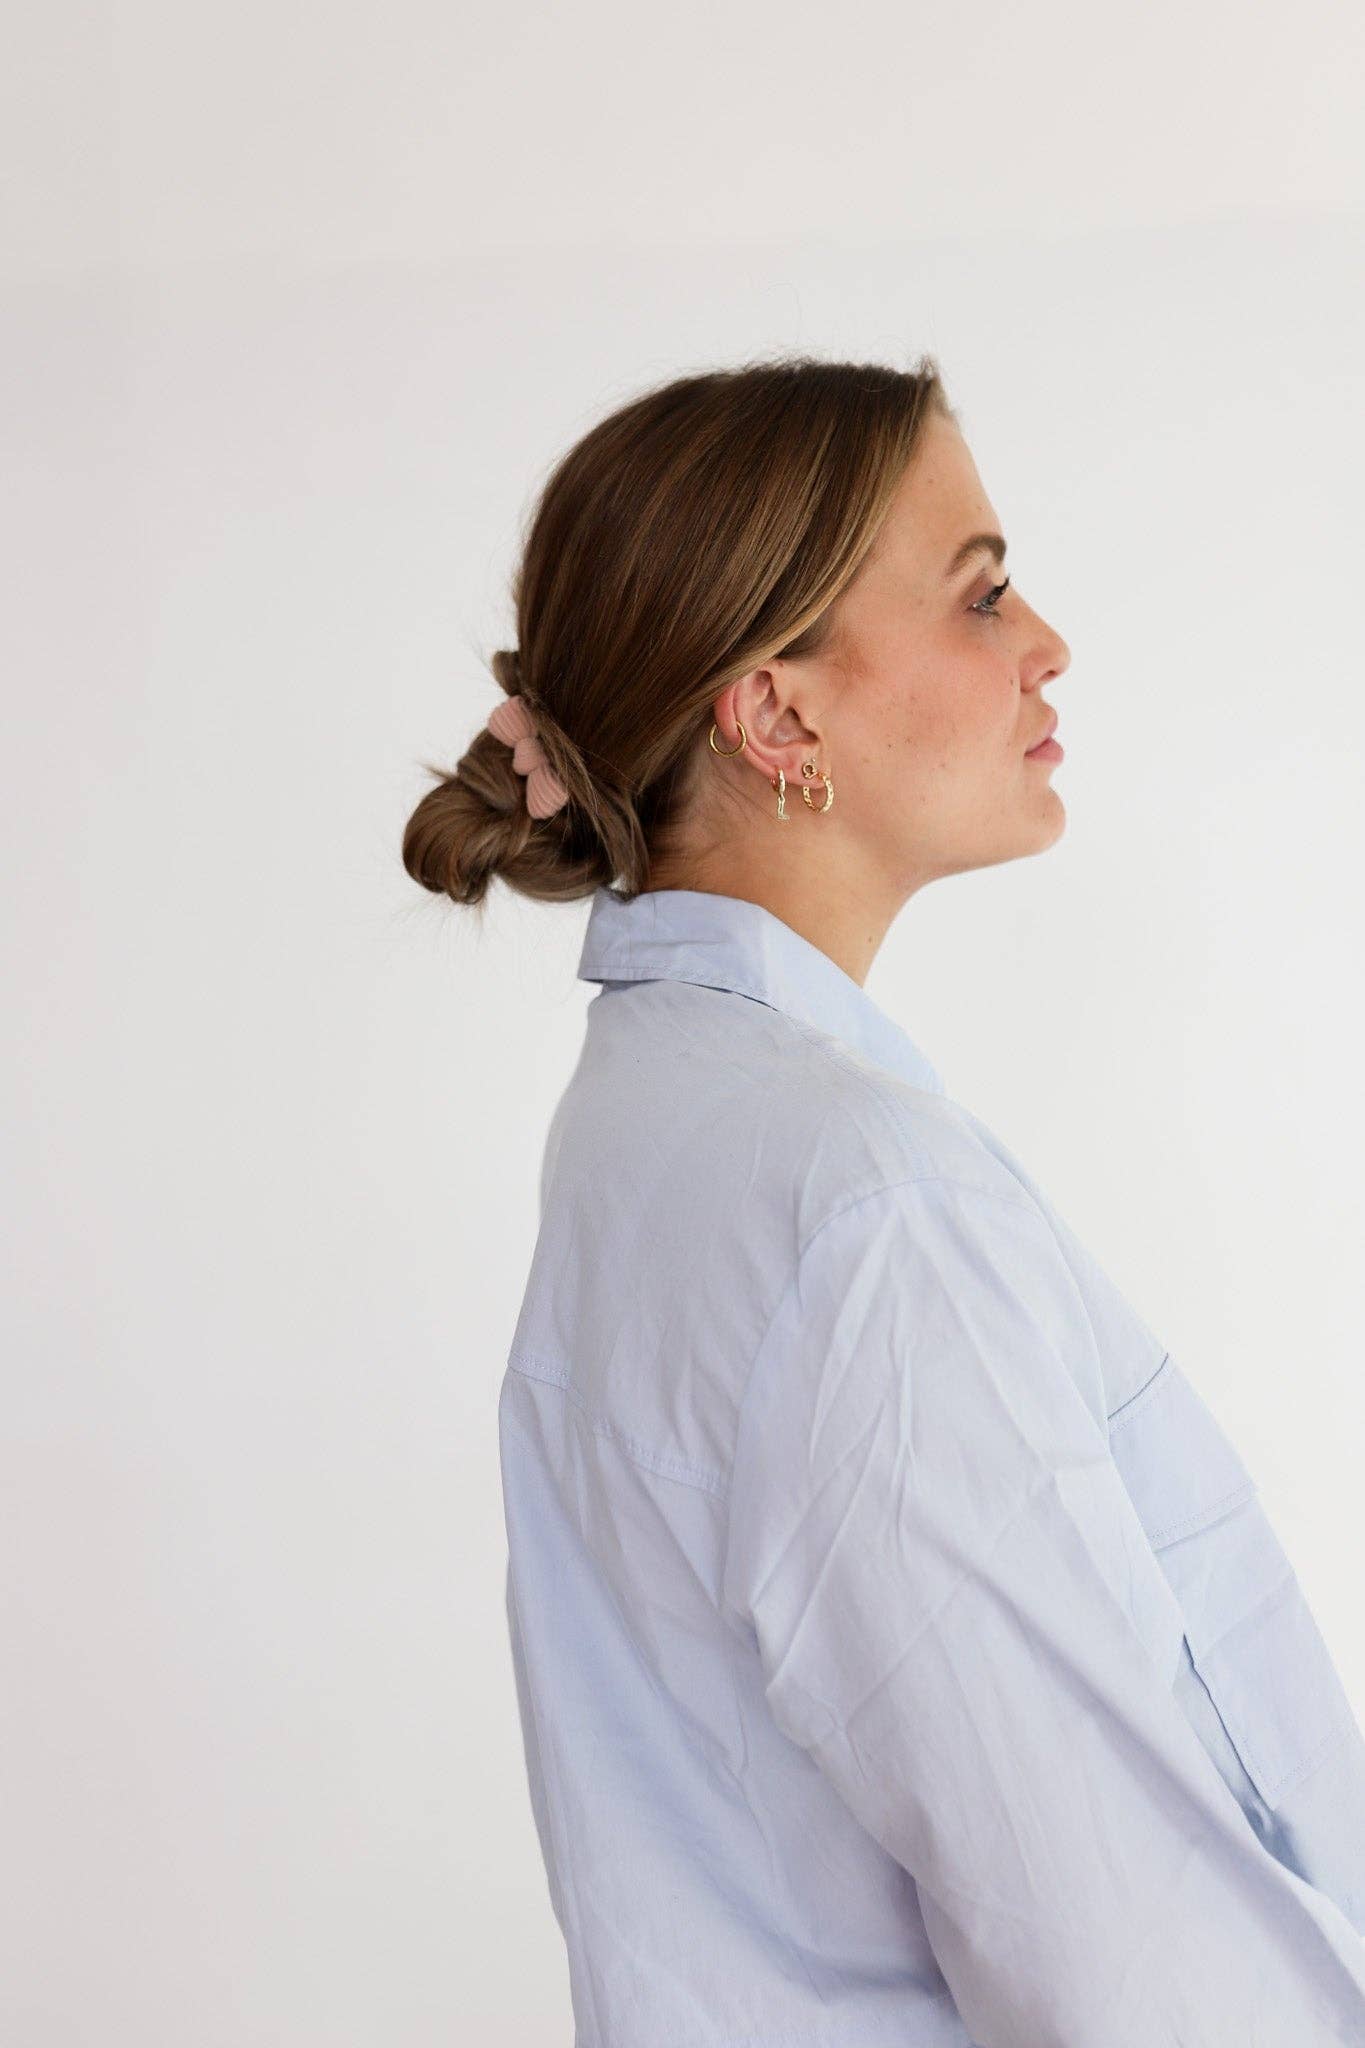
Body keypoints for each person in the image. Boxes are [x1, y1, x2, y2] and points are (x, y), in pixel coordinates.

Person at [402, 357, 1365, 2045]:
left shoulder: (653, 1115)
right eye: (980, 593)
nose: (1045, 643)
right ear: (778, 717)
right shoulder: (859, 1202)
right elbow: (1115, 1942)